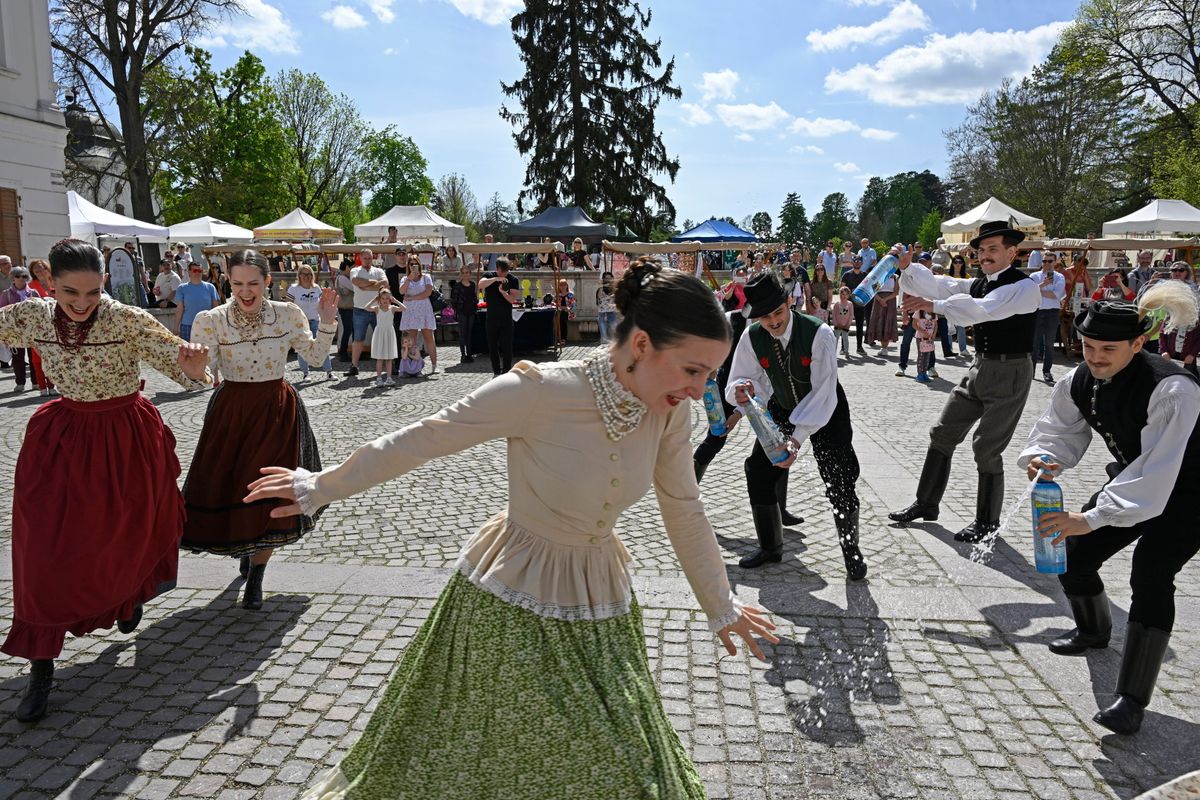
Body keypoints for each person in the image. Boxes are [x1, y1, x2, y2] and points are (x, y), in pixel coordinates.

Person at [244, 259, 778, 800]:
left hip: (601, 600)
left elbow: (683, 506)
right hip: (511, 600)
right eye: (693, 370)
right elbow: (425, 437)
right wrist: (320, 486)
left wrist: (721, 604)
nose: (700, 390)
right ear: (641, 345)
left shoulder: (667, 411)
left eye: (709, 374)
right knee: (488, 761)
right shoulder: (539, 390)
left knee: (629, 766)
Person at [0, 238, 211, 722]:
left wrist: (193, 364)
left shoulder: (124, 319)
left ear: (106, 284)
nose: (81, 303)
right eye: (70, 292)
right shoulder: (32, 315)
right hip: (61, 439)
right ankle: (41, 662)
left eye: (92, 292)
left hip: (124, 437)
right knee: (42, 550)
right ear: (49, 283)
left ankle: (128, 595)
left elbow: (179, 362)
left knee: (121, 533)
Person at [1019, 283, 1199, 735]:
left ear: (1138, 345)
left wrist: (1091, 518)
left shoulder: (1174, 389)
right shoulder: (1078, 379)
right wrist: (1045, 457)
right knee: (1074, 552)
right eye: (1088, 346)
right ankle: (1093, 631)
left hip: (1189, 491)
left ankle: (1131, 700)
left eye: (1108, 349)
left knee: (1151, 572)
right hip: (1136, 478)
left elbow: (1158, 470)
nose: (1095, 358)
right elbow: (1059, 429)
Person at [183, 249, 338, 610]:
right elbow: (202, 376)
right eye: (237, 283)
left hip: (276, 411)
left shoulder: (287, 314)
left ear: (267, 281)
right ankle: (245, 546)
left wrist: (327, 323)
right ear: (228, 282)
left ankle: (257, 573)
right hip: (232, 411)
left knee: (271, 490)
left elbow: (315, 358)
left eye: (253, 283)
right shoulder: (211, 320)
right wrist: (192, 370)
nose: (245, 291)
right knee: (237, 486)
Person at [889, 220, 1040, 542]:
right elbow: (943, 285)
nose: (984, 255)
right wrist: (908, 267)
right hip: (980, 366)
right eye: (981, 250)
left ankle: (987, 521)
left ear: (1012, 252)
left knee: (986, 447)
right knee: (942, 432)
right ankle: (926, 503)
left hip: (1011, 371)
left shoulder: (1024, 287)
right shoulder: (979, 283)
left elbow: (982, 311)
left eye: (992, 249)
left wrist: (933, 306)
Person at [726, 272, 867, 579]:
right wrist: (741, 390)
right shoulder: (752, 336)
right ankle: (771, 547)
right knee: (758, 470)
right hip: (783, 406)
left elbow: (822, 392)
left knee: (840, 478)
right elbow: (742, 378)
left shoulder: (819, 334)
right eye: (765, 317)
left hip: (826, 407)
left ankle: (851, 549)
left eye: (778, 312)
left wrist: (797, 439)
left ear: (790, 301)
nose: (773, 321)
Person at [286, 264, 334, 380]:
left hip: (315, 320)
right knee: (302, 348)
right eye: (304, 274)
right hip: (300, 323)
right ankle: (305, 373)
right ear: (299, 275)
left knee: (323, 345)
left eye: (309, 274)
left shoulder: (316, 288)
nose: (306, 276)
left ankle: (329, 372)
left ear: (312, 276)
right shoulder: (293, 289)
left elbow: (323, 303)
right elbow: (288, 306)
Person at [478, 258, 521, 376]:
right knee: (492, 347)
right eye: (501, 271)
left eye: (506, 272)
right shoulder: (489, 275)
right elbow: (480, 285)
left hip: (506, 319)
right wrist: (496, 279)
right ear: (497, 269)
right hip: (491, 318)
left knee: (507, 347)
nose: (504, 274)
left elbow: (512, 300)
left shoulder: (513, 279)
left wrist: (503, 292)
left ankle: (506, 371)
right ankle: (496, 371)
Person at [0, 266, 39, 390]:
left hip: (32, 330)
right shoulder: (6, 294)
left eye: (24, 276)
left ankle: (36, 382)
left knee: (34, 357)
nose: (21, 278)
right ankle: (20, 383)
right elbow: (1, 311)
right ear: (13, 278)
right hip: (15, 331)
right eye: (18, 276)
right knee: (17, 358)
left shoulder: (33, 292)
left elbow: (40, 310)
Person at [349, 249, 387, 377]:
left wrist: (365, 286)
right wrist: (375, 284)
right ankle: (354, 366)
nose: (367, 260)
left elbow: (385, 284)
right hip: (360, 309)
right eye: (365, 258)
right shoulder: (355, 270)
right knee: (358, 339)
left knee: (382, 337)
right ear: (360, 258)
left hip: (378, 309)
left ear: (372, 258)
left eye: (369, 258)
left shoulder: (379, 271)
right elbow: (356, 282)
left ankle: (385, 365)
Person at [398, 256, 438, 374]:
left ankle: (434, 365)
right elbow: (401, 291)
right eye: (411, 264)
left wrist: (412, 298)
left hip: (424, 309)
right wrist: (409, 278)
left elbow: (428, 292)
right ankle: (414, 368)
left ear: (419, 265)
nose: (413, 266)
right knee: (412, 340)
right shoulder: (405, 278)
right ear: (408, 266)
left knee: (429, 337)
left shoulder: (426, 277)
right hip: (410, 311)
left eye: (415, 264)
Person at [1033, 251, 1067, 383]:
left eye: (1049, 261)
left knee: (1049, 344)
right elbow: (1029, 292)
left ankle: (1046, 371)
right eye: (1044, 261)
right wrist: (1043, 285)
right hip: (1037, 311)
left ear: (1055, 262)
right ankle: (1031, 371)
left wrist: (1038, 290)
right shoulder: (1034, 276)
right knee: (1034, 343)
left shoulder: (1059, 277)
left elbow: (1056, 295)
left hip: (1052, 312)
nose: (1046, 263)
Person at [27, 260, 55, 396]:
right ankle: (42, 387)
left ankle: (53, 385)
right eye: (35, 269)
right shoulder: (30, 285)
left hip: (55, 323)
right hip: (38, 325)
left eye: (41, 268)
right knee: (38, 358)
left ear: (47, 268)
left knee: (52, 357)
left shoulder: (55, 281)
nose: (38, 271)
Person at [173, 263, 220, 342]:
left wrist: (218, 325)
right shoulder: (182, 288)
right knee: (188, 349)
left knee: (207, 349)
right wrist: (175, 328)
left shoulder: (210, 287)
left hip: (207, 324)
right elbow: (179, 309)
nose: (197, 273)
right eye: (195, 270)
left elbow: (215, 308)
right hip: (187, 325)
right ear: (189, 272)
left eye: (200, 271)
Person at [367, 289, 403, 386]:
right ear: (380, 299)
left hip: (389, 334)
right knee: (380, 358)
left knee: (389, 358)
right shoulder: (377, 308)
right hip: (380, 334)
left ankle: (389, 378)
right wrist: (374, 300)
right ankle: (379, 378)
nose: (385, 300)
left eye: (387, 298)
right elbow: (366, 307)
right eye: (383, 298)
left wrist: (395, 301)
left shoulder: (392, 308)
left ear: (390, 299)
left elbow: (404, 308)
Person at [450, 262, 478, 363]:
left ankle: (469, 354)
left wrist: (475, 303)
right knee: (462, 334)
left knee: (469, 333)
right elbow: (453, 300)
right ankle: (463, 355)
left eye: (467, 272)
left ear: (470, 274)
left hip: (471, 311)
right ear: (461, 274)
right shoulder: (457, 286)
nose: (465, 274)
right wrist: (457, 310)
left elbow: (474, 297)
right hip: (462, 312)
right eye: (463, 273)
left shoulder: (473, 285)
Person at [866, 265, 898, 351]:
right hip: (878, 301)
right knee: (879, 320)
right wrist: (880, 300)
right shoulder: (878, 276)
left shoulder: (895, 277)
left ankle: (884, 348)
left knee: (888, 321)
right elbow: (874, 290)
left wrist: (885, 300)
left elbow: (896, 292)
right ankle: (882, 347)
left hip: (890, 301)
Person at [840, 258, 869, 354]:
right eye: (855, 261)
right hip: (848, 304)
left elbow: (868, 288)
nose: (857, 263)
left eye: (859, 261)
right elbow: (842, 288)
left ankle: (859, 347)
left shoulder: (865, 275)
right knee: (845, 326)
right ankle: (843, 348)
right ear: (852, 262)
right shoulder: (847, 274)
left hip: (860, 305)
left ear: (862, 263)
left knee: (860, 327)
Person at [947, 254, 972, 356]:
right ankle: (948, 348)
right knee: (949, 327)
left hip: (961, 304)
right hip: (949, 304)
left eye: (960, 262)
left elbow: (969, 290)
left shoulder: (967, 277)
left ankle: (963, 349)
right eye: (955, 262)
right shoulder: (946, 277)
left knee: (961, 327)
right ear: (952, 264)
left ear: (963, 264)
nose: (957, 264)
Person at [334, 261, 356, 362]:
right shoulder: (342, 278)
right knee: (348, 330)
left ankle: (349, 352)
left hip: (347, 308)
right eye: (352, 268)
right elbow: (354, 288)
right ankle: (343, 353)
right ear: (347, 267)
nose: (354, 270)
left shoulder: (342, 277)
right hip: (346, 308)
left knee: (350, 330)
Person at [913, 309, 936, 383]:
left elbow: (935, 325)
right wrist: (923, 332)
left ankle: (924, 373)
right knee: (921, 356)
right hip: (920, 338)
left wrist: (934, 335)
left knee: (927, 356)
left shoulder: (933, 312)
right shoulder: (918, 312)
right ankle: (920, 374)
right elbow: (914, 324)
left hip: (929, 338)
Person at [830, 286, 853, 358]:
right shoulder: (837, 304)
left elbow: (851, 315)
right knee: (835, 339)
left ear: (848, 295)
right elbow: (834, 314)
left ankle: (846, 351)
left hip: (846, 325)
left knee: (845, 339)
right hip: (838, 325)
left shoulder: (850, 304)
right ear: (840, 294)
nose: (844, 296)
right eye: (842, 294)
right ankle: (833, 352)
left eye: (846, 294)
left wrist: (848, 324)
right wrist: (836, 324)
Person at [596, 271, 617, 344]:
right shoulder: (600, 289)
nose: (608, 280)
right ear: (603, 279)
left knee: (614, 329)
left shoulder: (614, 289)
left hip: (612, 311)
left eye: (610, 278)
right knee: (603, 332)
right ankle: (604, 341)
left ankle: (613, 343)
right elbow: (599, 297)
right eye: (606, 278)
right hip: (602, 312)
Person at [554, 278, 574, 345]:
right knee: (559, 320)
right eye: (561, 285)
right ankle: (559, 338)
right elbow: (555, 303)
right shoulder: (557, 295)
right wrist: (559, 307)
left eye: (564, 285)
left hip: (567, 312)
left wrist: (567, 308)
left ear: (567, 286)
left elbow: (572, 304)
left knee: (563, 321)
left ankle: (563, 339)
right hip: (559, 311)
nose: (563, 287)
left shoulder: (570, 294)